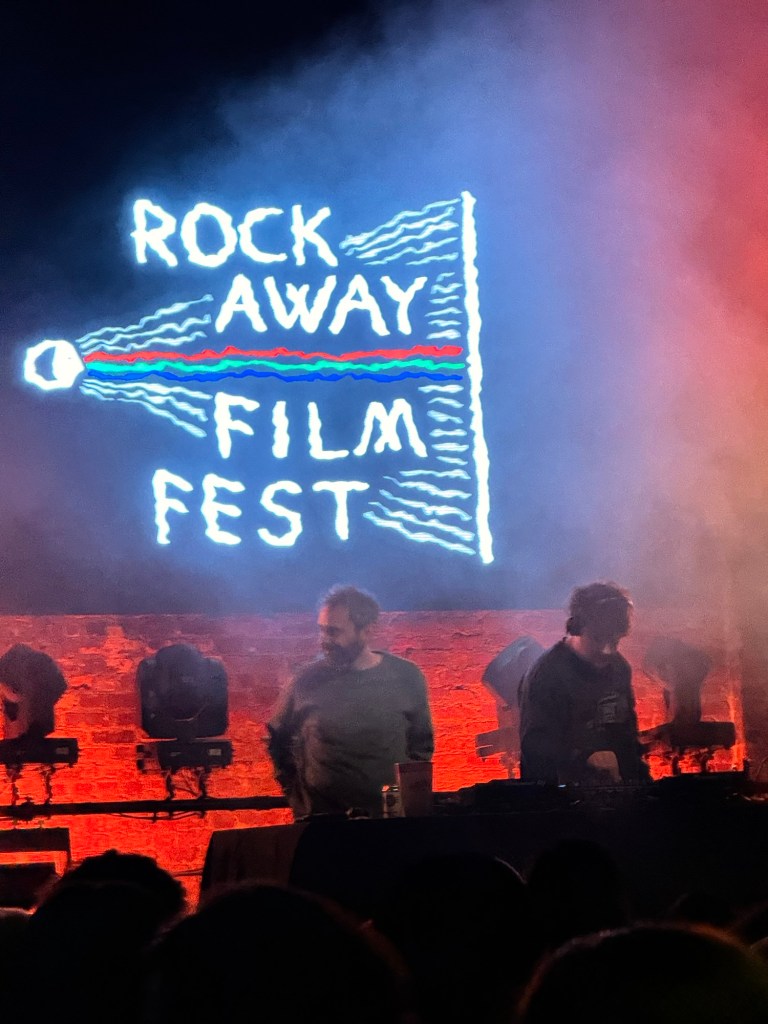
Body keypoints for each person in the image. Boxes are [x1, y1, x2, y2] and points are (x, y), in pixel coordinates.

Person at [267, 585, 434, 819]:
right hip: (323, 822)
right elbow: (277, 739)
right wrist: (297, 797)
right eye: (322, 630)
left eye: (334, 632)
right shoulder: (305, 680)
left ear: (368, 630)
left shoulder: (406, 676)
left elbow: (421, 745)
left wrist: (407, 796)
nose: (324, 640)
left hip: (390, 822)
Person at [519, 581, 649, 785]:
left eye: (614, 641)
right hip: (557, 797)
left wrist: (641, 783)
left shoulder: (619, 669)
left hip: (611, 796)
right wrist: (584, 758)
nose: (607, 650)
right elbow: (535, 746)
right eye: (597, 639)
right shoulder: (546, 674)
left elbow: (627, 738)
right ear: (577, 628)